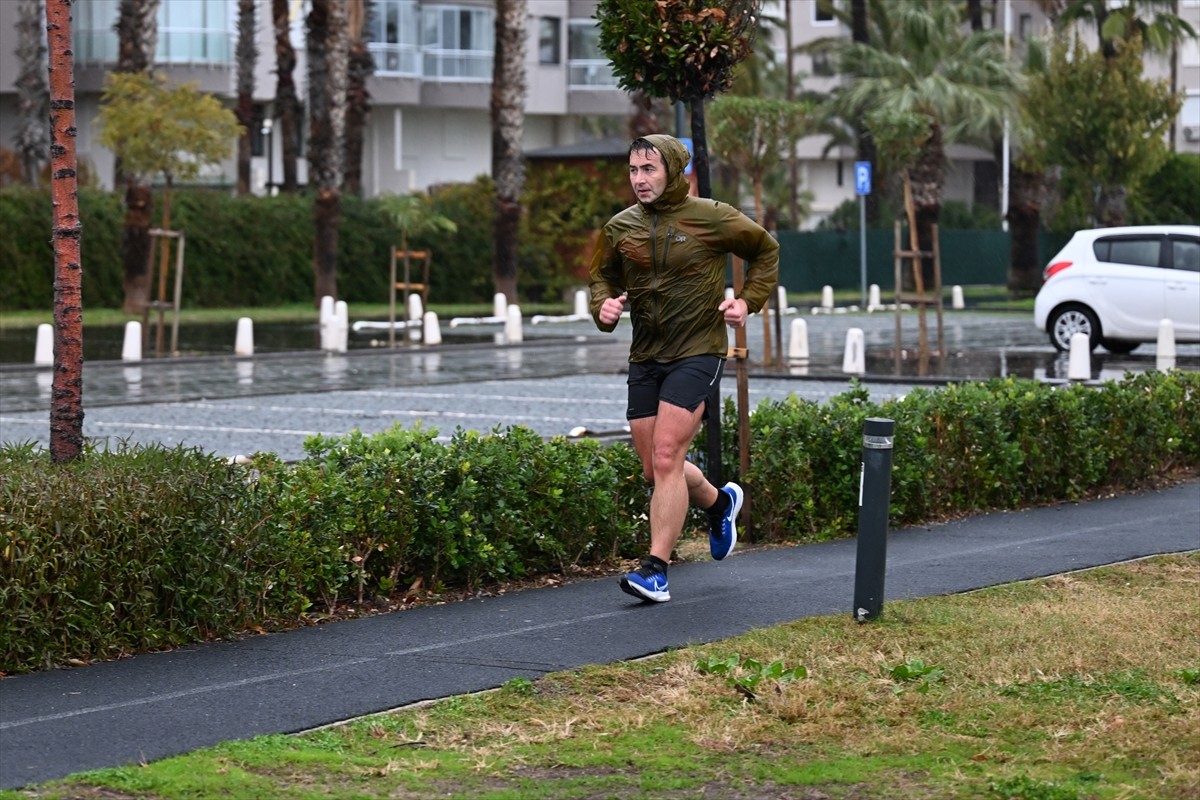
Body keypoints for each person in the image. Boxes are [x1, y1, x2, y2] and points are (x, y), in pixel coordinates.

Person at [589, 134, 779, 603]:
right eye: (633, 170)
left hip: (698, 350)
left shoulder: (710, 216)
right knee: (657, 471)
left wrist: (747, 302)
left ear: (674, 171)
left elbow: (765, 249)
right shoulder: (619, 227)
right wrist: (604, 308)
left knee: (668, 455)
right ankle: (719, 503)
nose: (639, 179)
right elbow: (602, 278)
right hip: (645, 355)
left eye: (649, 169)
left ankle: (655, 571)